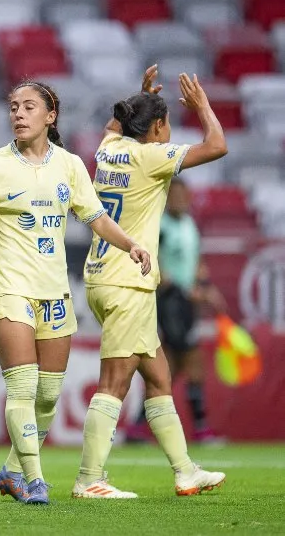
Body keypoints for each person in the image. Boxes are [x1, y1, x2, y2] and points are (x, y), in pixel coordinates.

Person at [0, 80, 150, 505]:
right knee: (22, 387)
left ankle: (13, 471)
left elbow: (96, 218)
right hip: (8, 288)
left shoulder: (70, 166)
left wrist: (131, 244)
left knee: (49, 396)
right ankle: (35, 482)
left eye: (28, 106)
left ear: (50, 115)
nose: (17, 113)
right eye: (13, 106)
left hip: (54, 291)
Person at [73, 65, 228, 499]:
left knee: (158, 378)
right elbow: (217, 145)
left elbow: (115, 125)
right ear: (158, 126)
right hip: (128, 281)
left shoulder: (108, 150)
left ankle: (185, 472)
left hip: (108, 278)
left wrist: (138, 98)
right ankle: (89, 480)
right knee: (115, 383)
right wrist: (202, 106)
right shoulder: (151, 157)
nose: (170, 130)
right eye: (167, 123)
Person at [127, 180, 227, 444]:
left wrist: (205, 287)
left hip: (187, 304)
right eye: (175, 195)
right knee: (189, 361)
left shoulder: (189, 225)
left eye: (183, 194)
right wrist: (184, 290)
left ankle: (137, 426)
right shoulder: (161, 225)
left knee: (172, 367)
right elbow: (154, 260)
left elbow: (196, 262)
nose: (180, 200)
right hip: (170, 302)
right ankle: (200, 428)